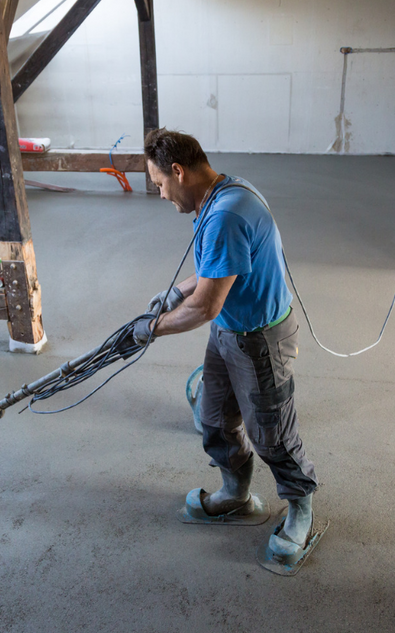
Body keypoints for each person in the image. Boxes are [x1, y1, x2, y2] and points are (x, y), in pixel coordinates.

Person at [132, 128, 319, 558]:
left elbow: (205, 308)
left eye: (159, 184)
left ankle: (300, 508)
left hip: (260, 339)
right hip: (231, 332)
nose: (161, 195)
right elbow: (222, 265)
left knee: (271, 434)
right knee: (213, 417)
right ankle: (236, 494)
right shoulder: (223, 192)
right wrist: (178, 290)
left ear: (178, 172)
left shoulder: (226, 214)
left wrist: (152, 327)